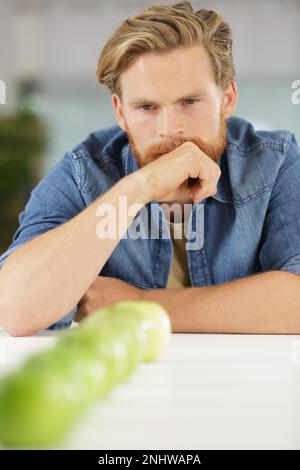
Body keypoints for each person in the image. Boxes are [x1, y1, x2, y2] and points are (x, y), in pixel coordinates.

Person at [1, 1, 300, 336]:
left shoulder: (275, 161)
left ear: (227, 97)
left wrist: (141, 305)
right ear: (120, 112)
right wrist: (139, 186)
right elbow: (15, 308)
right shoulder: (84, 171)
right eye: (146, 107)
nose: (170, 130)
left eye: (189, 102)